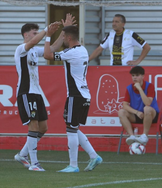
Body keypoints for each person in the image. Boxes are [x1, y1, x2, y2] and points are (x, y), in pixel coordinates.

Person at [13, 14, 75, 172]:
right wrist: (47, 31)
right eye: (34, 32)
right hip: (26, 92)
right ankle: (34, 163)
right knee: (33, 125)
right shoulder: (21, 49)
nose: (36, 35)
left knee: (43, 127)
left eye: (37, 32)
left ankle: (22, 154)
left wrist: (64, 30)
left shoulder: (34, 51)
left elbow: (53, 48)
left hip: (36, 92)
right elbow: (34, 42)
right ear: (26, 35)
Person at [44, 25, 102, 173]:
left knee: (71, 129)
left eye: (63, 36)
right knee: (73, 127)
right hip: (84, 95)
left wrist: (48, 36)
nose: (62, 38)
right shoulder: (83, 49)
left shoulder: (70, 52)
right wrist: (64, 27)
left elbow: (47, 55)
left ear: (69, 38)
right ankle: (93, 156)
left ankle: (73, 165)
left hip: (75, 95)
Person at [118, 66, 159, 146]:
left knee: (146, 109)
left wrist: (140, 89)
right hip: (137, 115)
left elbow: (147, 103)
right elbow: (125, 105)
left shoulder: (150, 86)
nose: (134, 78)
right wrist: (136, 112)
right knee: (121, 112)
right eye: (133, 76)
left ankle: (144, 136)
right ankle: (132, 136)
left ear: (143, 76)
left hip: (151, 115)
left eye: (137, 75)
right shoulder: (129, 88)